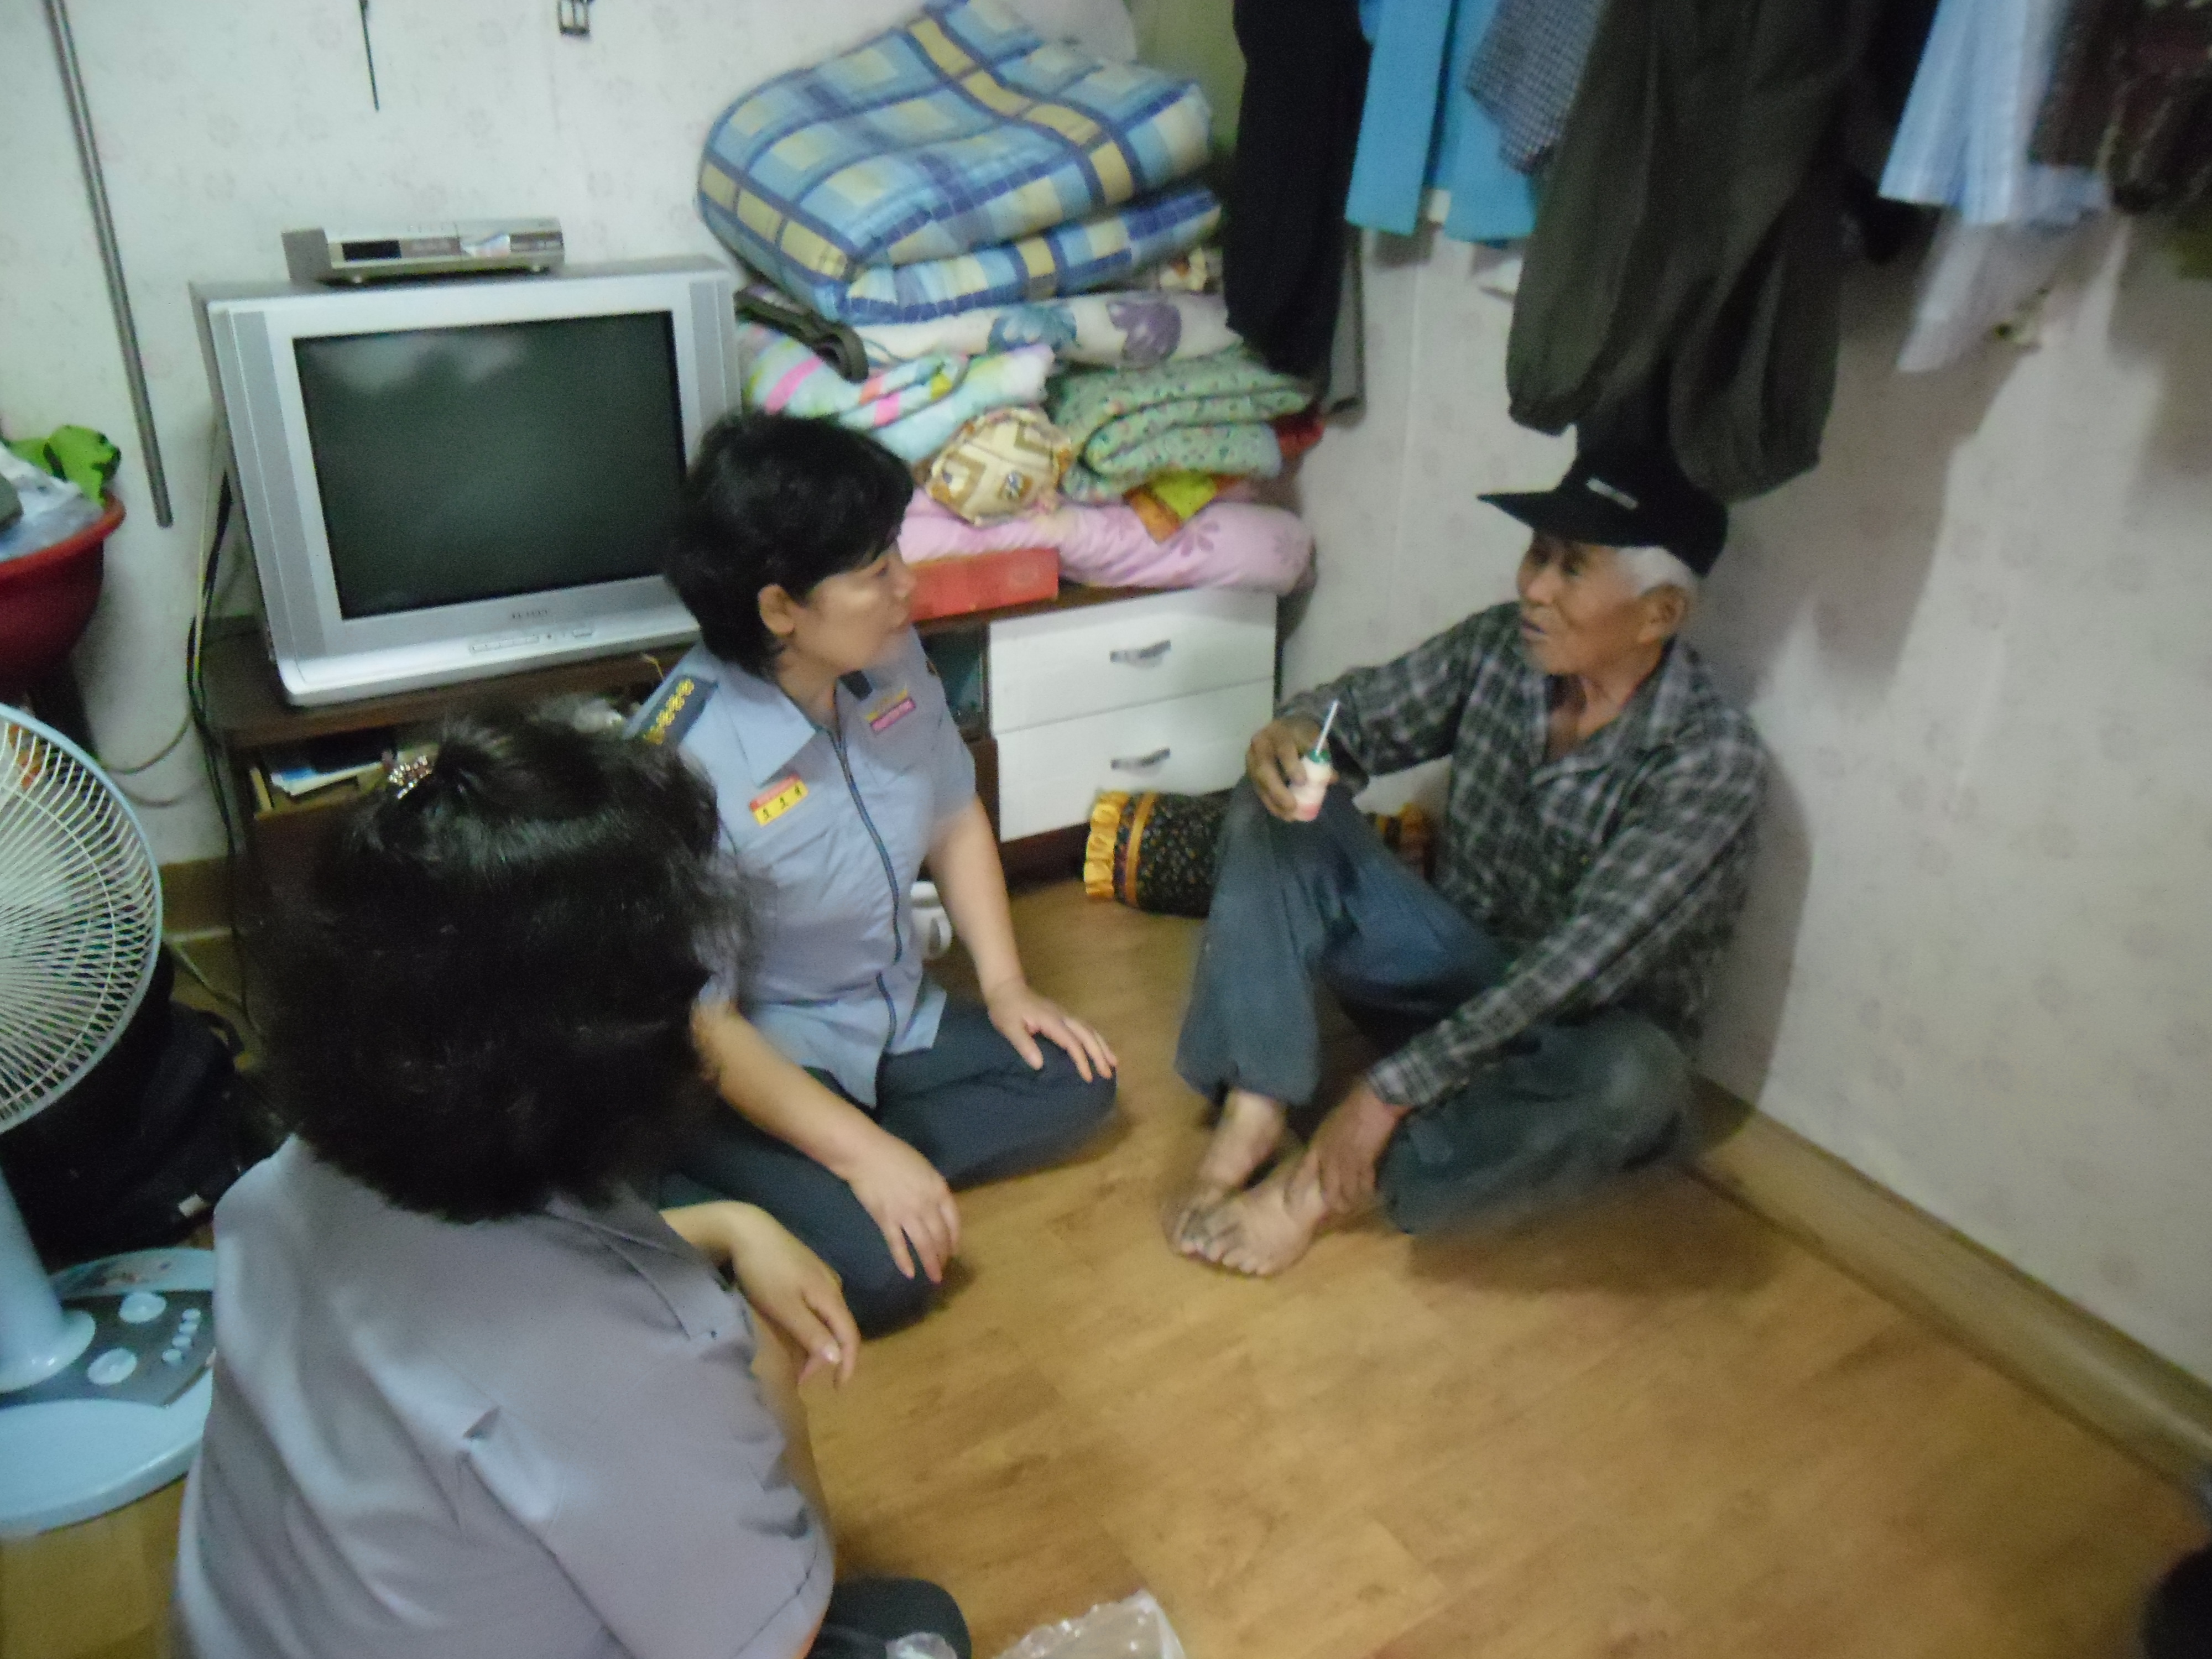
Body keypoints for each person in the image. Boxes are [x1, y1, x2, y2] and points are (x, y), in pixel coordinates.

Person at [173, 714, 970, 1659]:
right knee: (918, 1624)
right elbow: (775, 1634)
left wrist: (730, 1223)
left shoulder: (278, 1189)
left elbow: (471, 1281)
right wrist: (768, 1389)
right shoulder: (642, 1362)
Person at [1168, 445, 1767, 1276]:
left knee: (1636, 1081)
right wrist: (1299, 731)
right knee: (1282, 804)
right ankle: (1256, 1107)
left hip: (1568, 1033)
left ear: (1658, 614)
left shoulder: (1710, 761)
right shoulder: (1499, 649)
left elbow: (1573, 969)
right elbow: (1356, 713)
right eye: (1538, 554)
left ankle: (1318, 1189)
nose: (1535, 587)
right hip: (1451, 972)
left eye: (1571, 567)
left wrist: (1382, 1094)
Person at [639, 412, 1117, 1336]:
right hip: (756, 1061)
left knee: (1078, 1080)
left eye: (897, 552)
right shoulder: (680, 765)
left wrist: (1007, 987)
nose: (908, 584)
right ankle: (701, 1184)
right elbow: (704, 1024)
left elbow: (952, 812)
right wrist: (862, 1154)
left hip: (890, 1015)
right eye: (874, 571)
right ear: (780, 609)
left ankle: (849, 1176)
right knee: (887, 1277)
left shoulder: (888, 658)